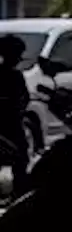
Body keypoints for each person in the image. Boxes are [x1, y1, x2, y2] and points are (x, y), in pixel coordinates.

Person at [0, 35, 30, 196]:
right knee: (20, 158)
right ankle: (20, 191)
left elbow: (24, 99)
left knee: (20, 158)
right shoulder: (14, 76)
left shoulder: (15, 75)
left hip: (12, 124)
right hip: (10, 125)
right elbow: (24, 99)